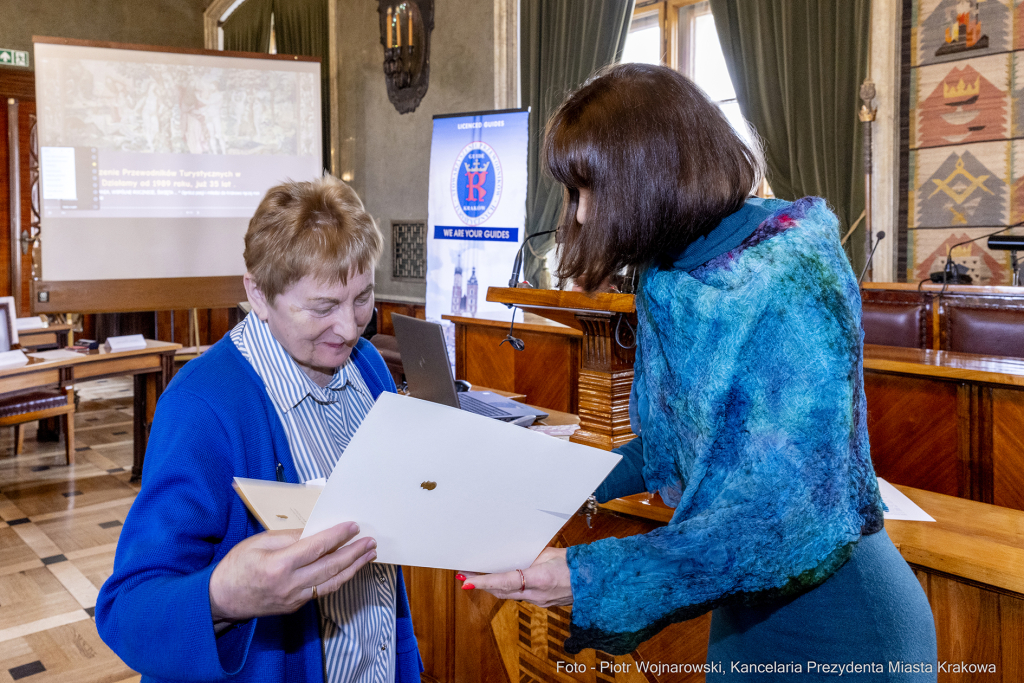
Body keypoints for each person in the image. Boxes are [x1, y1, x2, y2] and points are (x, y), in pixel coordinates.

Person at [461, 64, 938, 679]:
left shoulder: (788, 277)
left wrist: (583, 577)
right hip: (744, 618)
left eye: (586, 189)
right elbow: (671, 449)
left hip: (845, 629)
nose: (577, 216)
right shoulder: (671, 274)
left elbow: (770, 520)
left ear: (645, 176)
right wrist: (540, 484)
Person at [96, 176, 422, 683]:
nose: (350, 328)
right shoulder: (204, 405)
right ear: (258, 294)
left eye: (362, 298)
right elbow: (127, 609)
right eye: (322, 307)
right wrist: (226, 596)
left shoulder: (368, 366)